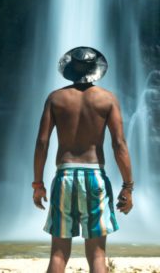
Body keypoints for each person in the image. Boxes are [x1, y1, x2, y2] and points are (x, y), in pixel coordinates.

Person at [32, 46, 134, 273]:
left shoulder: (56, 98)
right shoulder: (107, 99)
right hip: (95, 176)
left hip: (65, 176)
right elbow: (119, 145)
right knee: (98, 255)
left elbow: (42, 144)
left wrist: (38, 184)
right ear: (97, 70)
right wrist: (128, 186)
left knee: (58, 254)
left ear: (69, 69)